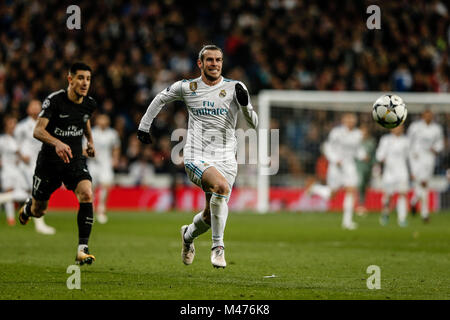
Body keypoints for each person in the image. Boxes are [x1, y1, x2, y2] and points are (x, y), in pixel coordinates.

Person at [137, 45, 258, 268]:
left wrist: (245, 107)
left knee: (210, 216)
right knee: (221, 188)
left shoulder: (235, 88)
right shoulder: (187, 87)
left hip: (226, 158)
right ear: (200, 63)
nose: (215, 64)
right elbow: (160, 99)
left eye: (218, 60)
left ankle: (187, 236)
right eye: (210, 60)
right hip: (196, 155)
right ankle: (218, 248)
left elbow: (254, 124)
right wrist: (144, 126)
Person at [18, 62, 97, 265]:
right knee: (39, 211)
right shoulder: (55, 101)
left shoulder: (89, 103)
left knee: (87, 193)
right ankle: (28, 208)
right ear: (70, 79)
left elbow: (85, 119)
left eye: (88, 79)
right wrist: (57, 143)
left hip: (73, 160)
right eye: (80, 78)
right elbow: (37, 130)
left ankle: (82, 249)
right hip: (49, 162)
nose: (85, 83)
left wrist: (90, 141)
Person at [307, 113, 364, 230]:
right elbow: (327, 147)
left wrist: (363, 155)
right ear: (343, 120)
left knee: (351, 190)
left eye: (353, 119)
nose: (351, 121)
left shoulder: (358, 134)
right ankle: (315, 189)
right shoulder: (336, 133)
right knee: (331, 195)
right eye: (348, 119)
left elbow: (357, 150)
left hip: (349, 166)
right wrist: (334, 159)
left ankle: (347, 222)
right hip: (336, 167)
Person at [14, 100, 56, 234]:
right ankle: (40, 225)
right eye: (33, 106)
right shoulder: (21, 126)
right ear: (28, 109)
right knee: (36, 193)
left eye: (38, 106)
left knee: (24, 193)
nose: (36, 108)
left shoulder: (45, 124)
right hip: (26, 164)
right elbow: (14, 144)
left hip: (40, 162)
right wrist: (20, 156)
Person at [407, 108, 444, 223]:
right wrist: (411, 158)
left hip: (429, 159)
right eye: (426, 115)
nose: (428, 117)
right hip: (416, 158)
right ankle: (425, 214)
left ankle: (414, 202)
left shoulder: (436, 129)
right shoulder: (415, 127)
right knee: (423, 184)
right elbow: (408, 142)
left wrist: (436, 149)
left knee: (423, 185)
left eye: (430, 115)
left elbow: (440, 143)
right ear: (423, 115)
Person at [87, 114, 120, 224]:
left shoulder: (112, 133)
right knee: (91, 188)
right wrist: (89, 154)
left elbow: (116, 147)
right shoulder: (91, 132)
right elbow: (84, 148)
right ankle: (90, 210)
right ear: (97, 120)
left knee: (106, 186)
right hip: (93, 163)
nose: (103, 121)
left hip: (106, 163)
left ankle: (101, 210)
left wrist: (115, 159)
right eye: (101, 119)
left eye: (105, 119)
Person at [376, 125, 410, 227]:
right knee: (388, 195)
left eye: (400, 127)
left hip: (402, 171)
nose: (398, 129)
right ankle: (385, 213)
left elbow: (409, 156)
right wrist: (383, 159)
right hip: (389, 172)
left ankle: (402, 218)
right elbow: (379, 155)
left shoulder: (406, 141)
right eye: (396, 127)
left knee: (402, 194)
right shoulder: (385, 140)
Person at [0, 115, 29, 226]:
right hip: (7, 170)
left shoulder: (17, 140)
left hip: (17, 170)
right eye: (11, 123)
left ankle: (23, 215)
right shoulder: (2, 139)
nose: (14, 126)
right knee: (9, 192)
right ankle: (10, 219)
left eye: (15, 123)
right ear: (6, 125)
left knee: (23, 193)